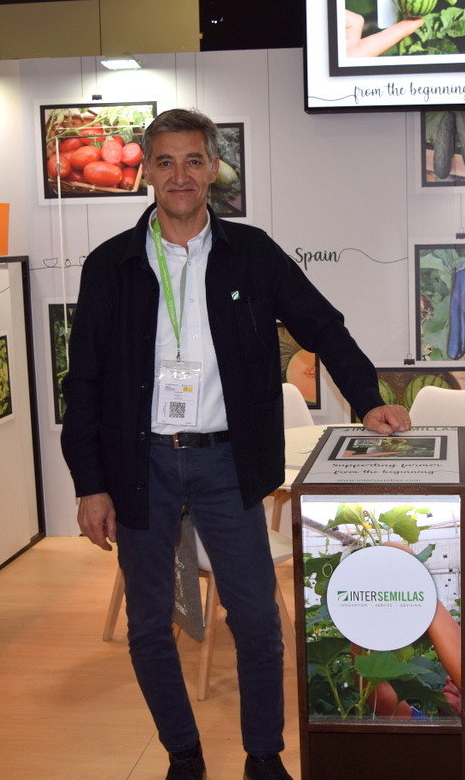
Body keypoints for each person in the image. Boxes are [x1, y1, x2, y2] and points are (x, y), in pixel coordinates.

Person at [61, 108, 411, 780]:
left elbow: (322, 325)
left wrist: (368, 399)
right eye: (166, 162)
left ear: (213, 169)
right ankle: (183, 755)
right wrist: (89, 483)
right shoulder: (111, 266)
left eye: (193, 160)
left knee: (255, 620)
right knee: (148, 625)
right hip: (140, 464)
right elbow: (84, 381)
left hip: (227, 462)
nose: (180, 175)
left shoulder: (251, 252)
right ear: (146, 171)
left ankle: (263, 756)